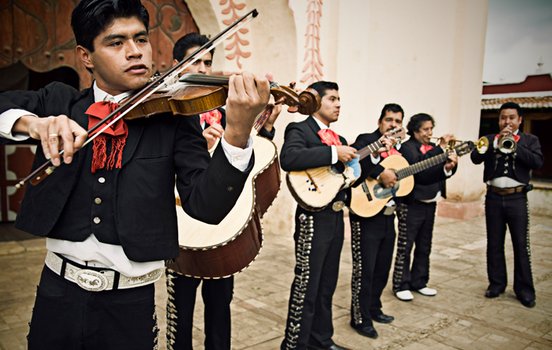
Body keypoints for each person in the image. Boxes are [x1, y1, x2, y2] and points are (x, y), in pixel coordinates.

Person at [0, 1, 270, 349]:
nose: (134, 52)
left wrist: (237, 131)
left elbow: (207, 207)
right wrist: (31, 123)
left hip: (130, 303)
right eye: (116, 43)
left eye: (140, 40)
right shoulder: (59, 102)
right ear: (86, 56)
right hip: (57, 295)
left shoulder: (173, 118)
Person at [165, 32, 280, 350]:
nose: (202, 67)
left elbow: (247, 150)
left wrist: (264, 124)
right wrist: (200, 146)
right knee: (181, 307)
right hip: (180, 220)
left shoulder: (226, 109)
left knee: (220, 302)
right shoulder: (170, 113)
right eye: (194, 61)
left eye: (207, 62)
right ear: (177, 66)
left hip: (222, 223)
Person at [279, 81, 356, 350]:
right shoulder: (300, 128)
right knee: (307, 285)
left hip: (335, 217)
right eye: (332, 99)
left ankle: (321, 340)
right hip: (312, 218)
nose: (338, 104)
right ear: (316, 102)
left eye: (339, 99)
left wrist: (363, 163)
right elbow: (289, 158)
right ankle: (295, 345)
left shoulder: (342, 140)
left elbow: (346, 179)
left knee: (327, 284)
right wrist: (334, 153)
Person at [470, 102, 543, 308]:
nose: (507, 122)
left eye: (511, 118)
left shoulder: (530, 140)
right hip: (493, 197)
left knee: (521, 245)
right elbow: (476, 157)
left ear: (520, 120)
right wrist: (495, 143)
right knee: (494, 243)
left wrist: (515, 145)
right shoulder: (490, 139)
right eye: (503, 118)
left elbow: (537, 162)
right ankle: (496, 284)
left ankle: (524, 290)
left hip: (517, 198)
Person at [348, 103, 404, 339]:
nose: (393, 125)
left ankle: (374, 308)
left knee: (382, 267)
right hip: (365, 212)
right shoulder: (366, 139)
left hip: (388, 215)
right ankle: (360, 318)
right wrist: (380, 170)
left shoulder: (401, 150)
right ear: (380, 122)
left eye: (398, 121)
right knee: (365, 270)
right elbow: (355, 163)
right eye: (389, 120)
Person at [392, 113, 458, 302]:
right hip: (412, 203)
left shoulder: (434, 148)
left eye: (431, 129)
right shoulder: (408, 148)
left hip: (430, 201)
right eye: (426, 129)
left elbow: (439, 171)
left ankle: (419, 282)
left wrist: (449, 166)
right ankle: (401, 284)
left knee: (425, 245)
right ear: (415, 131)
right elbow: (418, 168)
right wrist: (439, 148)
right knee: (406, 245)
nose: (430, 133)